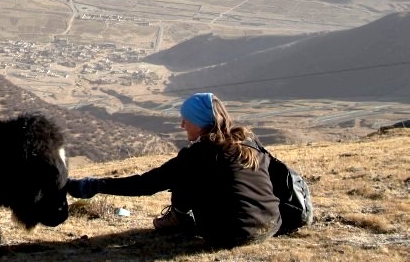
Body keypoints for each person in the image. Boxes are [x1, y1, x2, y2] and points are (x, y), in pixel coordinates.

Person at [67, 93, 282, 248]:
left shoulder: (199, 155)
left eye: (186, 120)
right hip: (271, 224)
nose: (182, 125)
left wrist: (95, 185)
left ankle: (178, 218)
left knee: (182, 177)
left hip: (227, 235)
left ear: (199, 123)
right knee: (191, 176)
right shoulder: (249, 142)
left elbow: (146, 184)